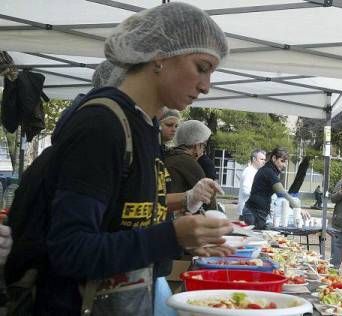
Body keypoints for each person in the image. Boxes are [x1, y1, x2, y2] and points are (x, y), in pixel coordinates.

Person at [35, 4, 235, 314]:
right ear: (160, 55)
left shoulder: (144, 126)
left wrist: (184, 239)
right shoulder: (102, 125)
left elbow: (127, 225)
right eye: (202, 67)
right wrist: (171, 235)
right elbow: (69, 250)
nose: (206, 86)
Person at [242, 147, 310, 229]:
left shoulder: (269, 170)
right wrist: (299, 209)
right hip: (253, 213)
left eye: (286, 162)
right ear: (274, 158)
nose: (284, 165)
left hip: (256, 212)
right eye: (282, 161)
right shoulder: (269, 172)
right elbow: (282, 193)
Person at [164, 120, 217, 210]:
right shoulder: (188, 162)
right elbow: (208, 200)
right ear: (197, 145)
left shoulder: (167, 156)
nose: (203, 151)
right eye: (203, 146)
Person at [237, 149, 266, 219]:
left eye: (264, 159)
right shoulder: (249, 172)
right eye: (261, 159)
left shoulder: (255, 172)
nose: (264, 162)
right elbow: (246, 190)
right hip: (248, 213)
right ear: (254, 159)